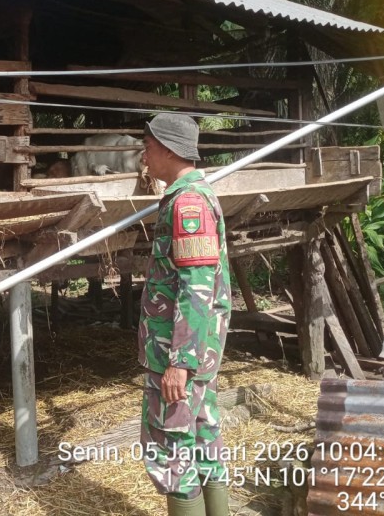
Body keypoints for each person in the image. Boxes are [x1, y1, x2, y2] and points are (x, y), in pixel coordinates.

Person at [138, 112, 232, 516]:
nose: (144, 156)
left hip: (180, 354)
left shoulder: (188, 204)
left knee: (171, 452)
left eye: (147, 146)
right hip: (199, 352)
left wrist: (180, 362)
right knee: (203, 438)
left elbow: (196, 289)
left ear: (166, 148)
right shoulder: (192, 195)